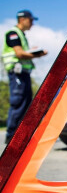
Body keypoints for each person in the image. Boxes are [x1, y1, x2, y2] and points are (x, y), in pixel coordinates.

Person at [1, 10, 48, 144]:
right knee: (18, 102)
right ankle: (12, 137)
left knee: (26, 102)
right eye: (31, 20)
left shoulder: (22, 35)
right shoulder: (13, 33)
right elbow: (19, 54)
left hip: (24, 74)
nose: (32, 23)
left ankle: (21, 135)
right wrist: (37, 54)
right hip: (17, 73)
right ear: (22, 19)